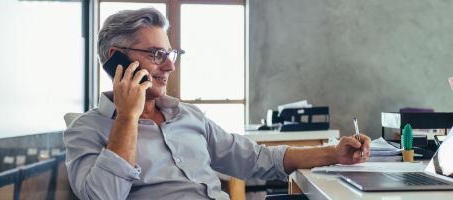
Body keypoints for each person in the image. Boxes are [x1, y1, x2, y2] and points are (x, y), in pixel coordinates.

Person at [64, 8, 371, 200]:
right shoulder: (86, 130)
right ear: (116, 59)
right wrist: (127, 118)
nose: (170, 67)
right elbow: (104, 196)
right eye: (156, 54)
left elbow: (258, 159)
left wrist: (334, 153)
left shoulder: (187, 116)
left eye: (170, 55)